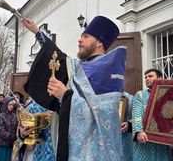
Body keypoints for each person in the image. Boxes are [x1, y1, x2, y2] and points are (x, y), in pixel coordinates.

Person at [21, 16, 127, 160]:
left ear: (99, 42)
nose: (79, 40)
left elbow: (104, 117)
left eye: (86, 36)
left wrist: (65, 96)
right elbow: (58, 57)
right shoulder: (79, 66)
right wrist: (37, 32)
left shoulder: (108, 69)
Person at [132, 68, 172, 160]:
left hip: (164, 141)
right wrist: (139, 131)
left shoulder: (169, 94)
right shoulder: (140, 95)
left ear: (159, 78)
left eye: (150, 76)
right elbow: (136, 114)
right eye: (145, 77)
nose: (147, 79)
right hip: (145, 139)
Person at [0, 97, 18, 161]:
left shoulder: (15, 116)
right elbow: (0, 129)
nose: (11, 107)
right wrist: (9, 136)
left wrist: (17, 135)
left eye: (12, 105)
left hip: (12, 145)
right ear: (5, 105)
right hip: (3, 144)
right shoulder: (1, 116)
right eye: (9, 105)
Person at [120, 91, 133, 161]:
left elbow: (136, 118)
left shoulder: (131, 98)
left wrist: (128, 124)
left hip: (125, 139)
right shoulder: (104, 98)